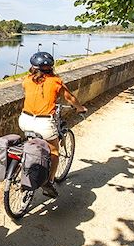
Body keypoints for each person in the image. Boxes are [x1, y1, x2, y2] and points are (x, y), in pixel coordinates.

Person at [18, 51, 87, 198]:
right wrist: (80, 108)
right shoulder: (56, 81)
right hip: (43, 123)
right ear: (50, 67)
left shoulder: (26, 79)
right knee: (54, 151)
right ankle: (49, 181)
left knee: (32, 144)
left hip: (24, 120)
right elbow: (70, 98)